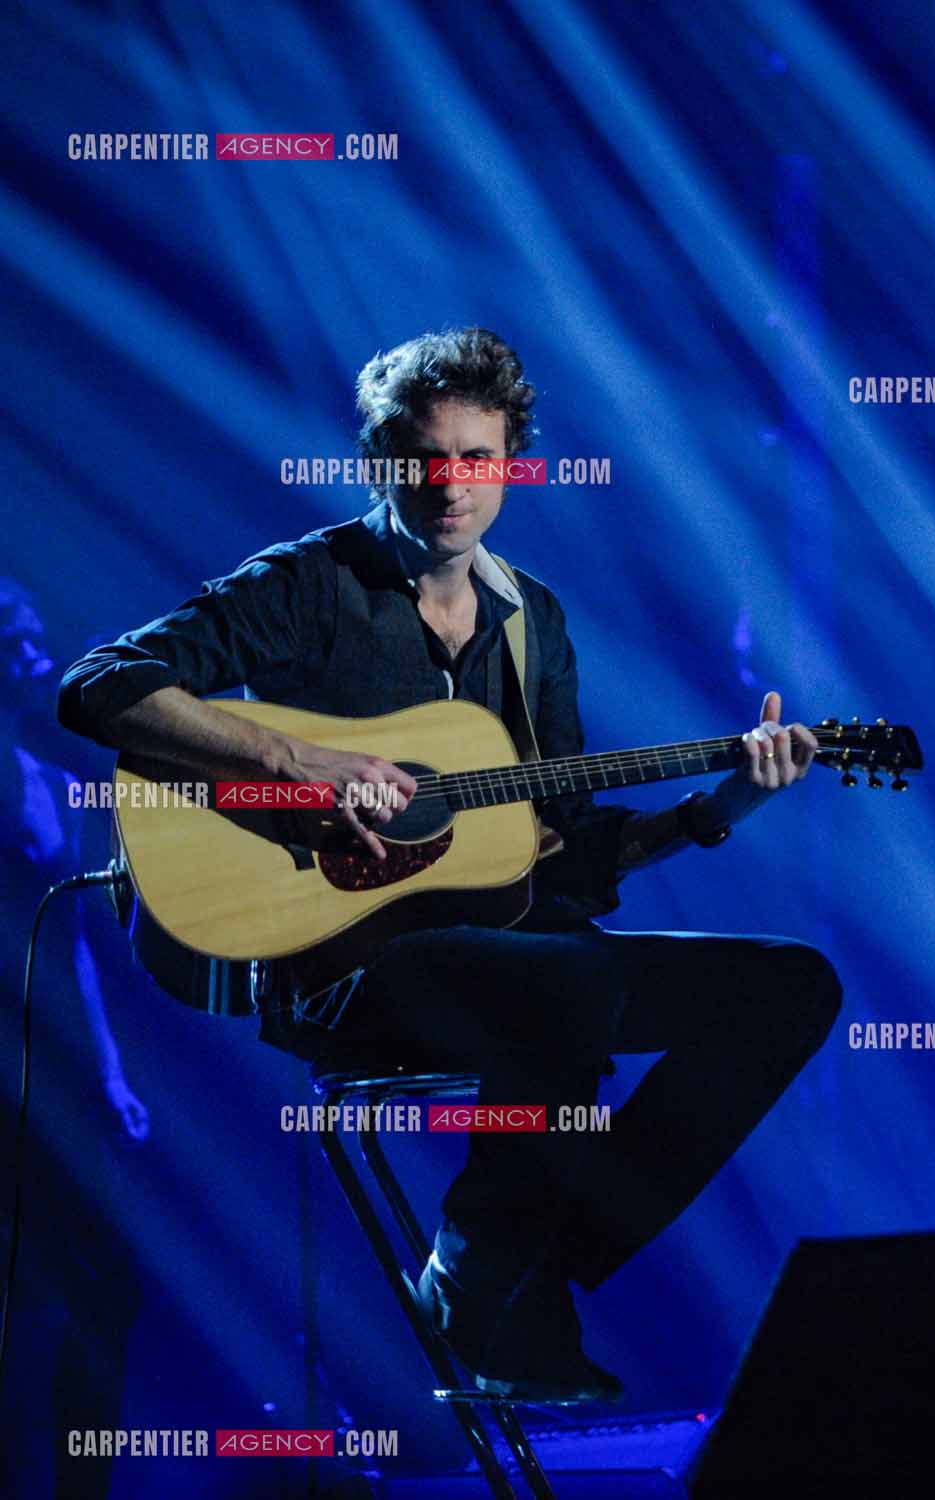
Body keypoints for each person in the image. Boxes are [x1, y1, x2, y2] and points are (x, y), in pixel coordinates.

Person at [55, 328, 842, 1404]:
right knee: (570, 981)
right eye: (425, 458)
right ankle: (482, 1285)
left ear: (514, 463)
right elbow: (99, 683)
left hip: (515, 954)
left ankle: (527, 1274)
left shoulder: (533, 621)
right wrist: (301, 763)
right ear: (382, 459)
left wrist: (722, 807)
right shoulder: (311, 583)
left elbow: (563, 851)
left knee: (788, 986)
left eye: (478, 457)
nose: (452, 484)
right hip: (340, 958)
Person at [3, 580, 151, 1499]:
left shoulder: (56, 782)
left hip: (56, 1072)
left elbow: (78, 945)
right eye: (13, 643)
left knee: (105, 1281)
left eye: (35, 637)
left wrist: (111, 1072)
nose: (36, 657)